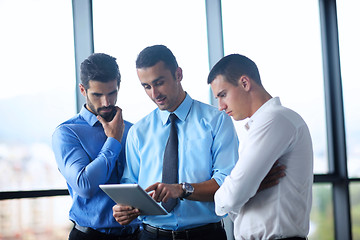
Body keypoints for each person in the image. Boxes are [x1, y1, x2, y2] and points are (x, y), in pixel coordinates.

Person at [112, 45, 284, 240]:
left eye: (159, 82)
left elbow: (227, 182)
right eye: (146, 86)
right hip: (151, 235)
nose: (154, 93)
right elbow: (130, 185)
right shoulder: (137, 132)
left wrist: (180, 190)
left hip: (205, 235)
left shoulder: (217, 120)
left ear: (178, 74)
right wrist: (123, 209)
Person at [208, 54, 313, 240]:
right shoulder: (267, 123)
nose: (220, 107)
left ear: (245, 83)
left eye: (223, 95)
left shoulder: (275, 120)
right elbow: (235, 200)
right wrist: (247, 189)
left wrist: (236, 192)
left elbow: (231, 197)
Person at [52, 53, 140, 240]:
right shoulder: (67, 133)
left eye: (112, 93)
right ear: (83, 90)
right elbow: (85, 186)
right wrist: (114, 140)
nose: (106, 102)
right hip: (90, 237)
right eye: (97, 95)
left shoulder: (133, 130)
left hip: (136, 235)